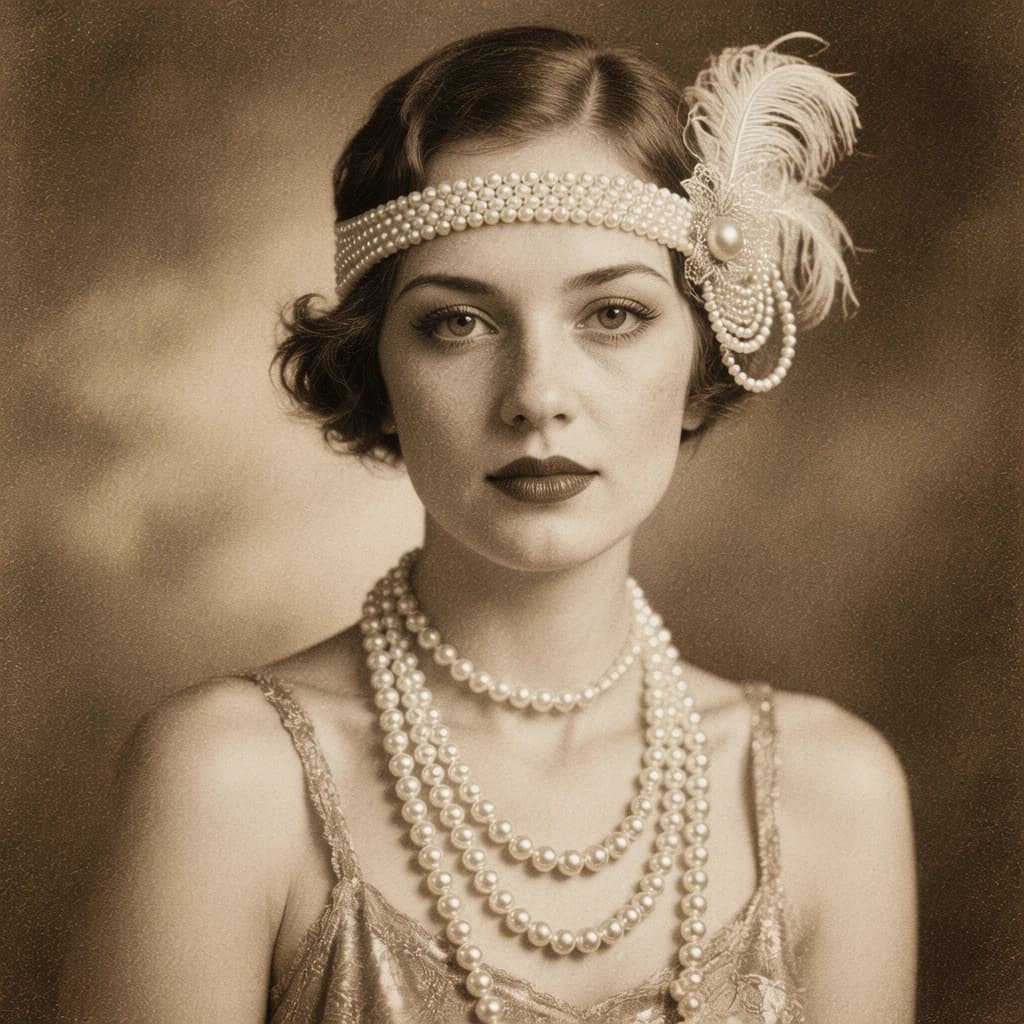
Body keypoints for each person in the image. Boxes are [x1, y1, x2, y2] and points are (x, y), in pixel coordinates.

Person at [57, 25, 916, 1024]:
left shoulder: (828, 793)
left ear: (701, 362)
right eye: (457, 322)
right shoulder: (225, 780)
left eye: (613, 315)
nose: (537, 395)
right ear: (376, 372)